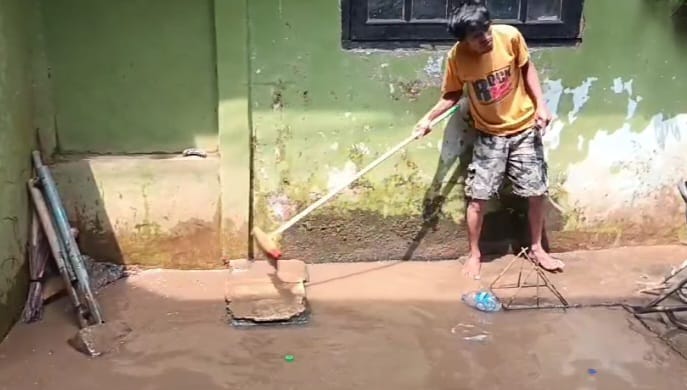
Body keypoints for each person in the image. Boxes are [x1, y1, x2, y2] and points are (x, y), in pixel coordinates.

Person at [414, 0, 564, 279]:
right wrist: (427, 120)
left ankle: (537, 248)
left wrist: (541, 106)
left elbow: (527, 68)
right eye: (476, 36)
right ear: (464, 41)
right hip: (490, 135)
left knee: (536, 193)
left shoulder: (509, 36)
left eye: (486, 30)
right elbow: (451, 94)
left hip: (523, 128)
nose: (485, 38)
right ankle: (475, 254)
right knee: (477, 199)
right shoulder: (457, 58)